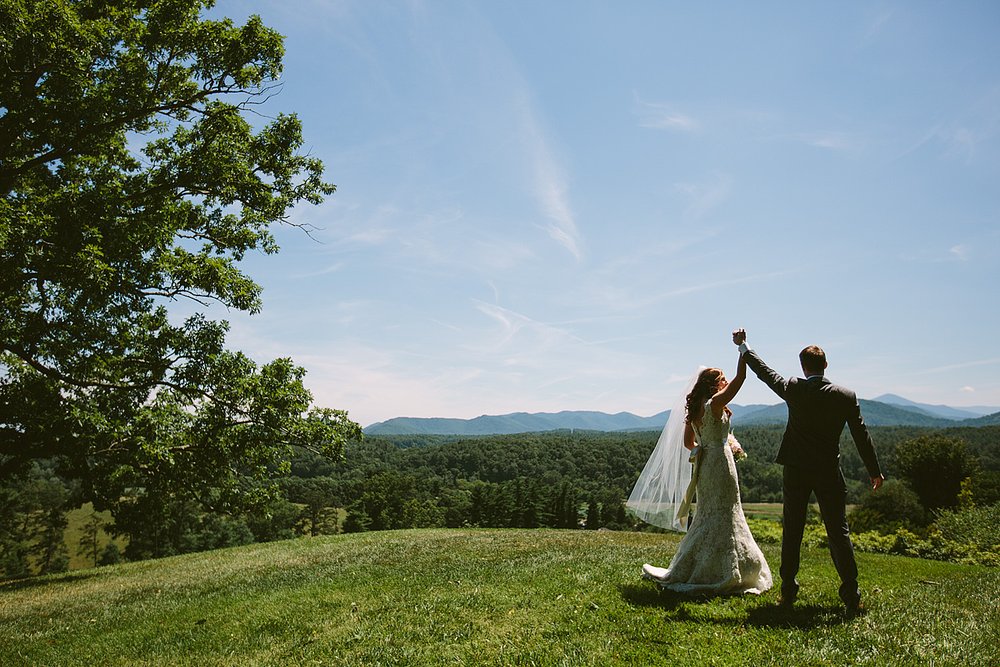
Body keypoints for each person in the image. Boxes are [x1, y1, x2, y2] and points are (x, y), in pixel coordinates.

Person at [733, 328, 884, 613]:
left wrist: (744, 347)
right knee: (839, 531)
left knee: (793, 530)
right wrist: (874, 471)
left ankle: (788, 590)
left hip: (796, 470)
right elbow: (861, 435)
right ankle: (851, 594)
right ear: (825, 365)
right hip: (828, 470)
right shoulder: (845, 395)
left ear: (803, 367)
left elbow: (765, 372)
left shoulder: (794, 387)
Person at [628, 353, 773, 596]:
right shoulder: (714, 404)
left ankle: (702, 564)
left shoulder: (696, 409)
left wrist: (712, 445)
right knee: (727, 511)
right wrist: (743, 351)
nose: (726, 382)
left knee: (710, 512)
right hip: (720, 465)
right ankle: (729, 569)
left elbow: (688, 443)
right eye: (722, 379)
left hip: (705, 466)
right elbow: (741, 378)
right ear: (714, 384)